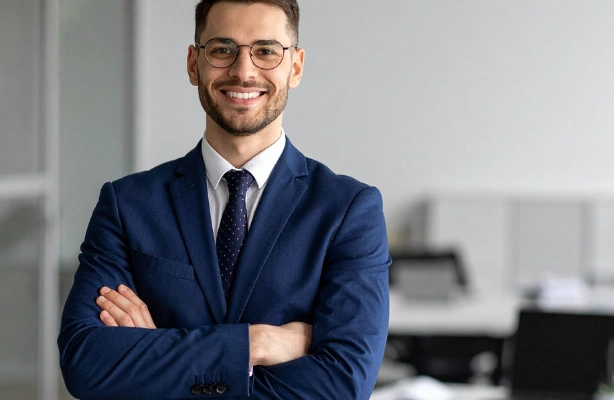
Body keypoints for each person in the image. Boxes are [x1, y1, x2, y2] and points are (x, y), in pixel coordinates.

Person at [57, 1, 391, 398]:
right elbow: (86, 363)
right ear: (193, 64)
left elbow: (344, 384)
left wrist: (156, 360)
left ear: (295, 66)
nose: (244, 71)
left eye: (266, 51)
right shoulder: (126, 204)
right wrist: (257, 344)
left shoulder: (349, 210)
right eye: (222, 49)